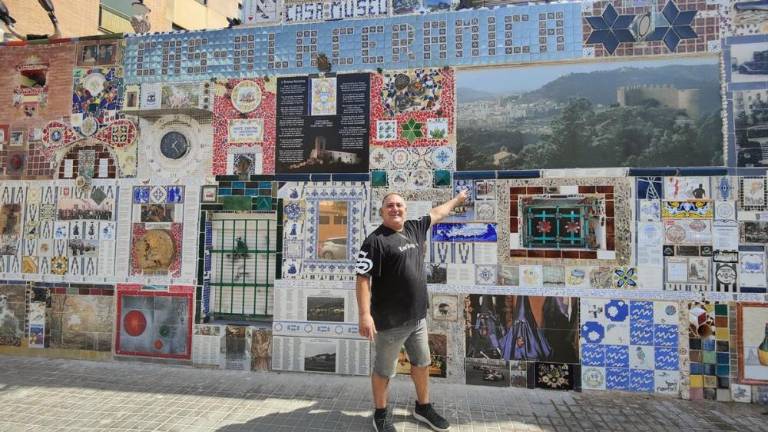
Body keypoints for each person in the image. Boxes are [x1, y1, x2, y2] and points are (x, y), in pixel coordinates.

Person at [356, 190, 467, 432]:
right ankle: (381, 414)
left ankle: (423, 407)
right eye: (390, 206)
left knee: (422, 363)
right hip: (389, 322)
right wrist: (365, 314)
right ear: (382, 212)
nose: (395, 209)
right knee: (384, 371)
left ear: (405, 209)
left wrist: (457, 200)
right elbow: (363, 279)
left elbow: (438, 213)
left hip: (417, 318)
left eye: (399, 205)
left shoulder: (414, 228)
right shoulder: (374, 241)